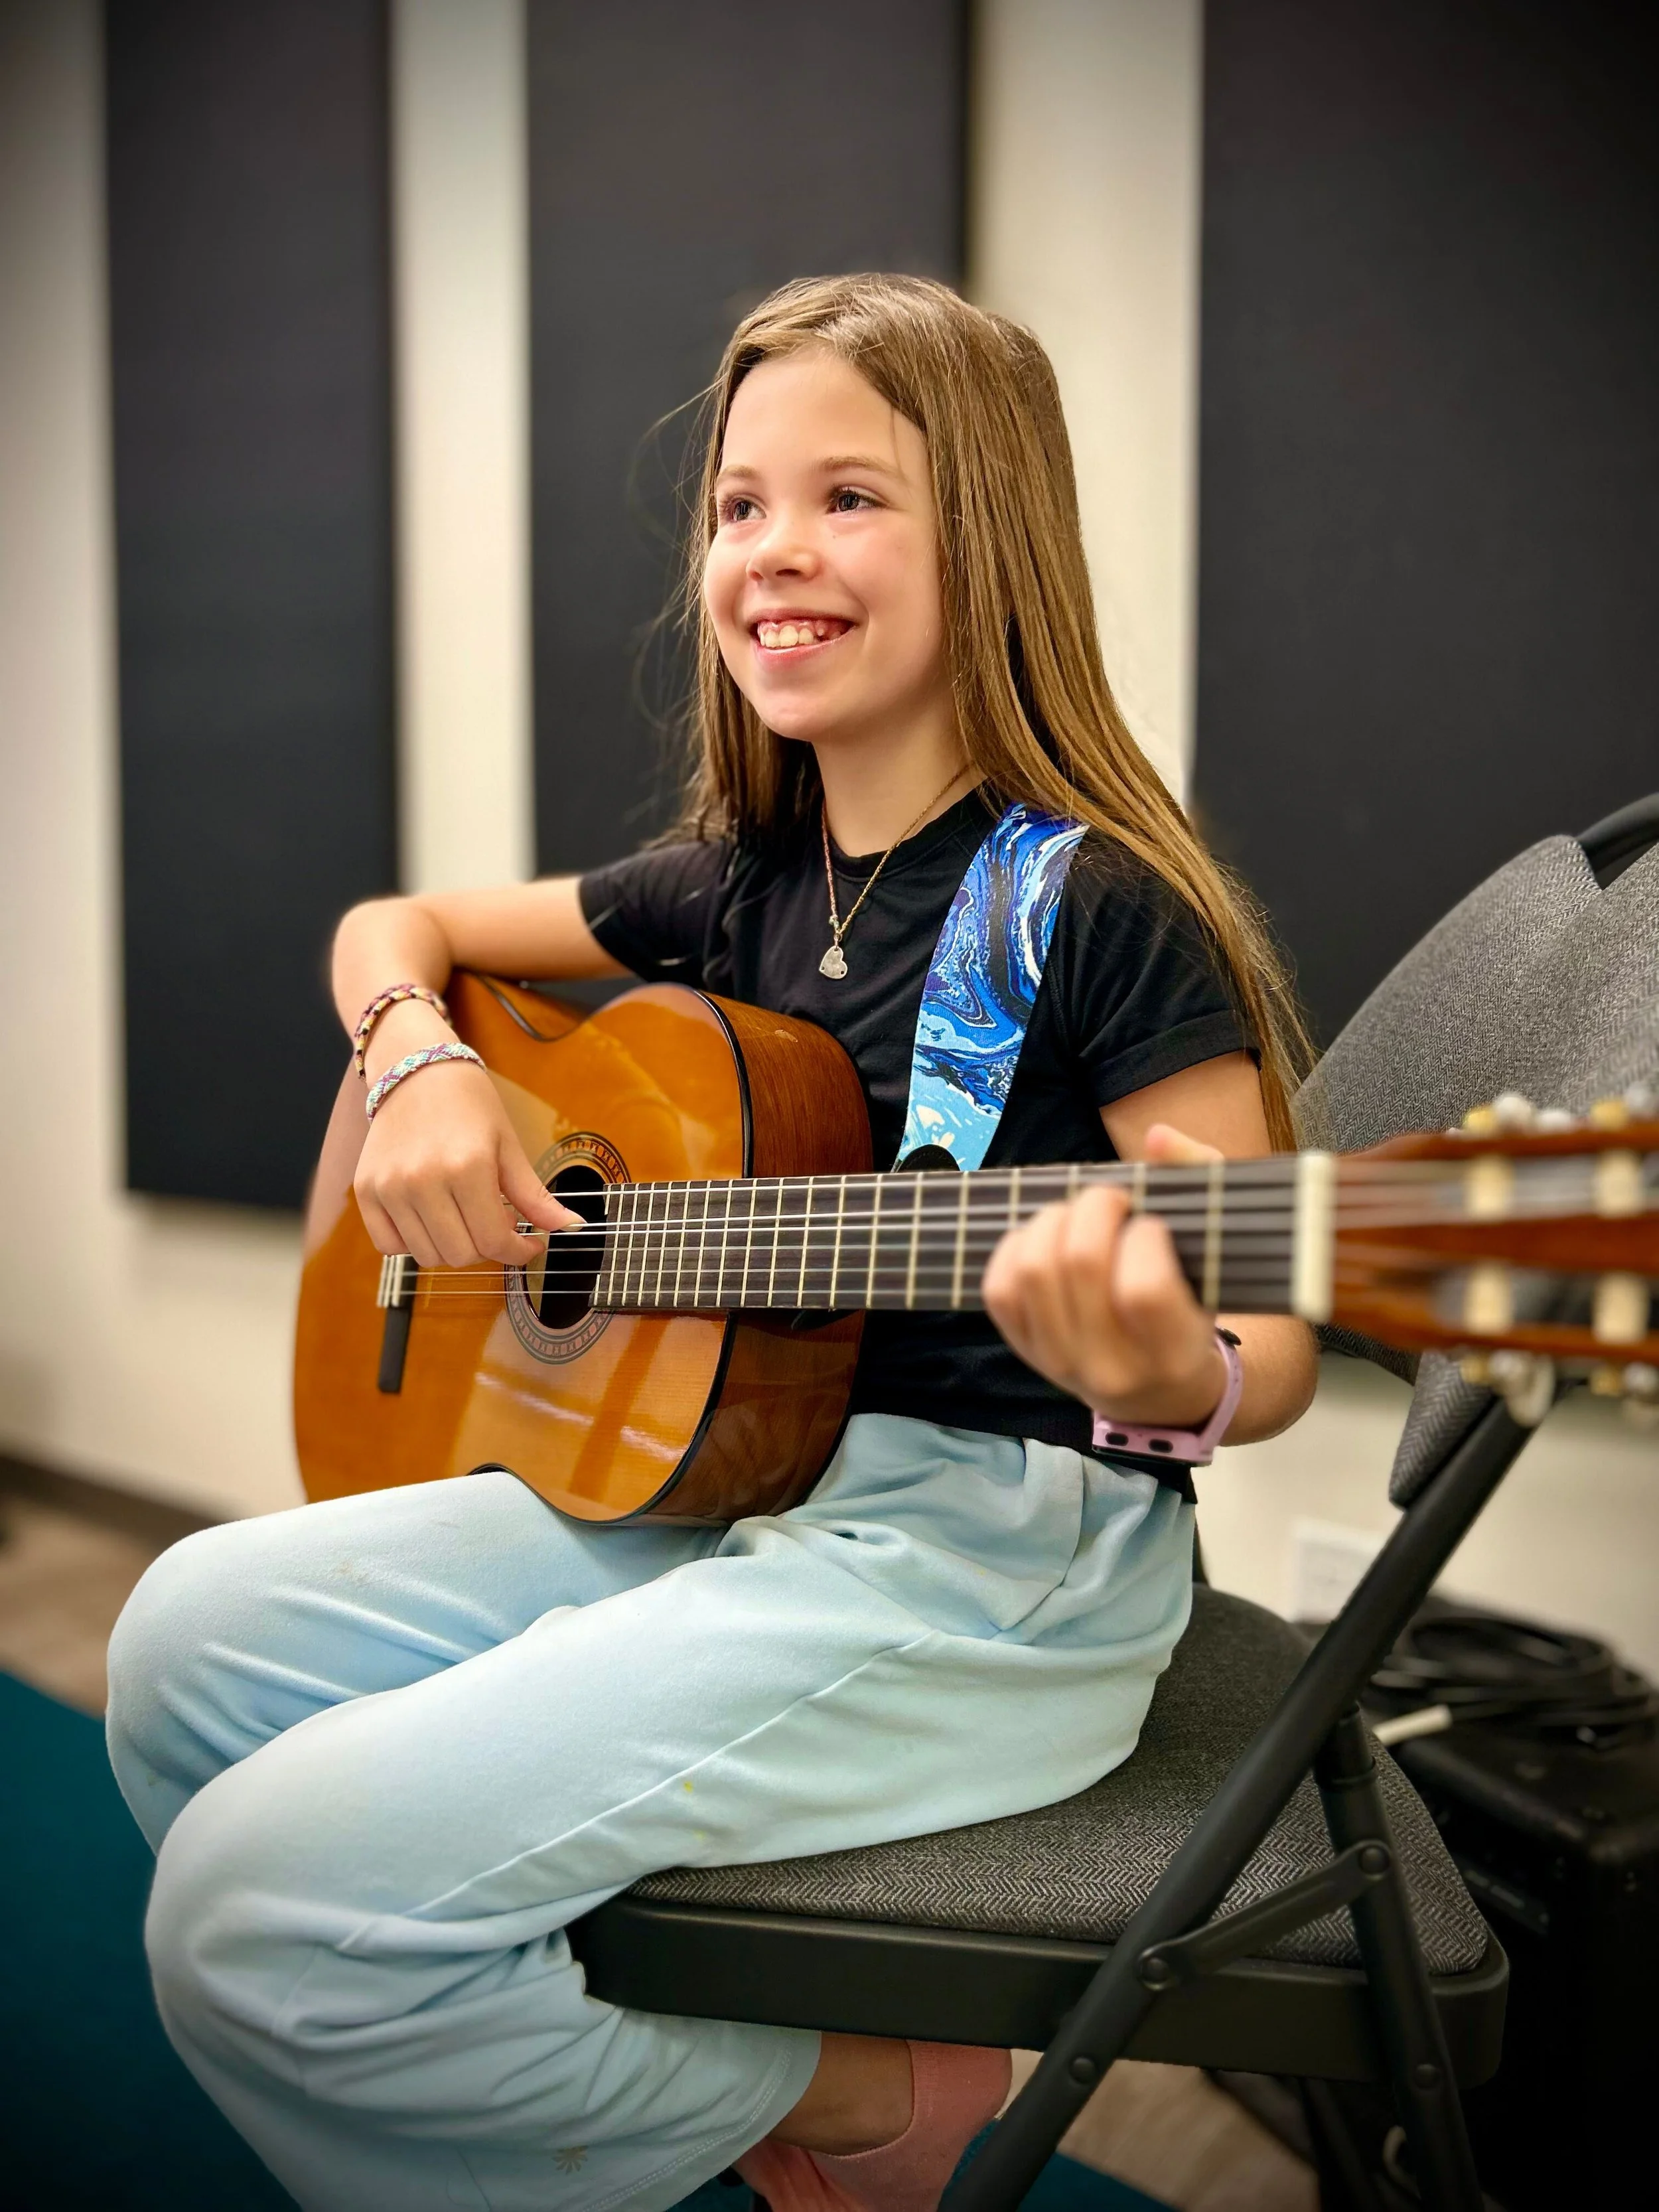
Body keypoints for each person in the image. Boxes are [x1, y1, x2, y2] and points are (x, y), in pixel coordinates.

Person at [108, 274, 1317, 2212]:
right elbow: (387, 928)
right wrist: (419, 1063)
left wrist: (1170, 1372)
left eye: (848, 495)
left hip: (996, 1558)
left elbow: (1267, 1340)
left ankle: (836, 2087)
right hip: (747, 1487)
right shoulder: (733, 883)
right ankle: (517, 2044)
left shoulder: (1090, 904)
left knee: (260, 1920)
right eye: (737, 504)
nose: (771, 551)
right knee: (174, 1648)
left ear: (986, 531)